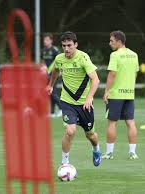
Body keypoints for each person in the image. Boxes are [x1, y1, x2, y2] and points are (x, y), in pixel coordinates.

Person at [46, 31, 101, 166]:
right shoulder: (59, 59)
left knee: (91, 135)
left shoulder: (83, 58)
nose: (66, 49)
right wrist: (50, 85)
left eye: (69, 45)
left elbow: (95, 80)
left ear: (76, 45)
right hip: (67, 102)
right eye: (64, 46)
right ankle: (65, 163)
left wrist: (89, 99)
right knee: (70, 131)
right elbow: (55, 71)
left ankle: (96, 149)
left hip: (84, 104)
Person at [102, 30, 139, 160]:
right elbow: (135, 73)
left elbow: (112, 74)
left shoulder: (115, 55)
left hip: (116, 94)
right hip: (129, 94)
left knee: (112, 123)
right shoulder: (134, 55)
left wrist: (106, 91)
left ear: (119, 41)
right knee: (130, 123)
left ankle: (109, 153)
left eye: (111, 41)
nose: (110, 43)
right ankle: (132, 153)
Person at [41, 33, 62, 118]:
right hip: (46, 74)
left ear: (51, 41)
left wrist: (60, 71)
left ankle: (62, 108)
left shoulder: (55, 50)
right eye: (44, 40)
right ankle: (52, 112)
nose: (45, 42)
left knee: (52, 92)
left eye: (47, 40)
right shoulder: (43, 51)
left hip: (54, 74)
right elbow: (43, 62)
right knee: (50, 92)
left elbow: (60, 61)